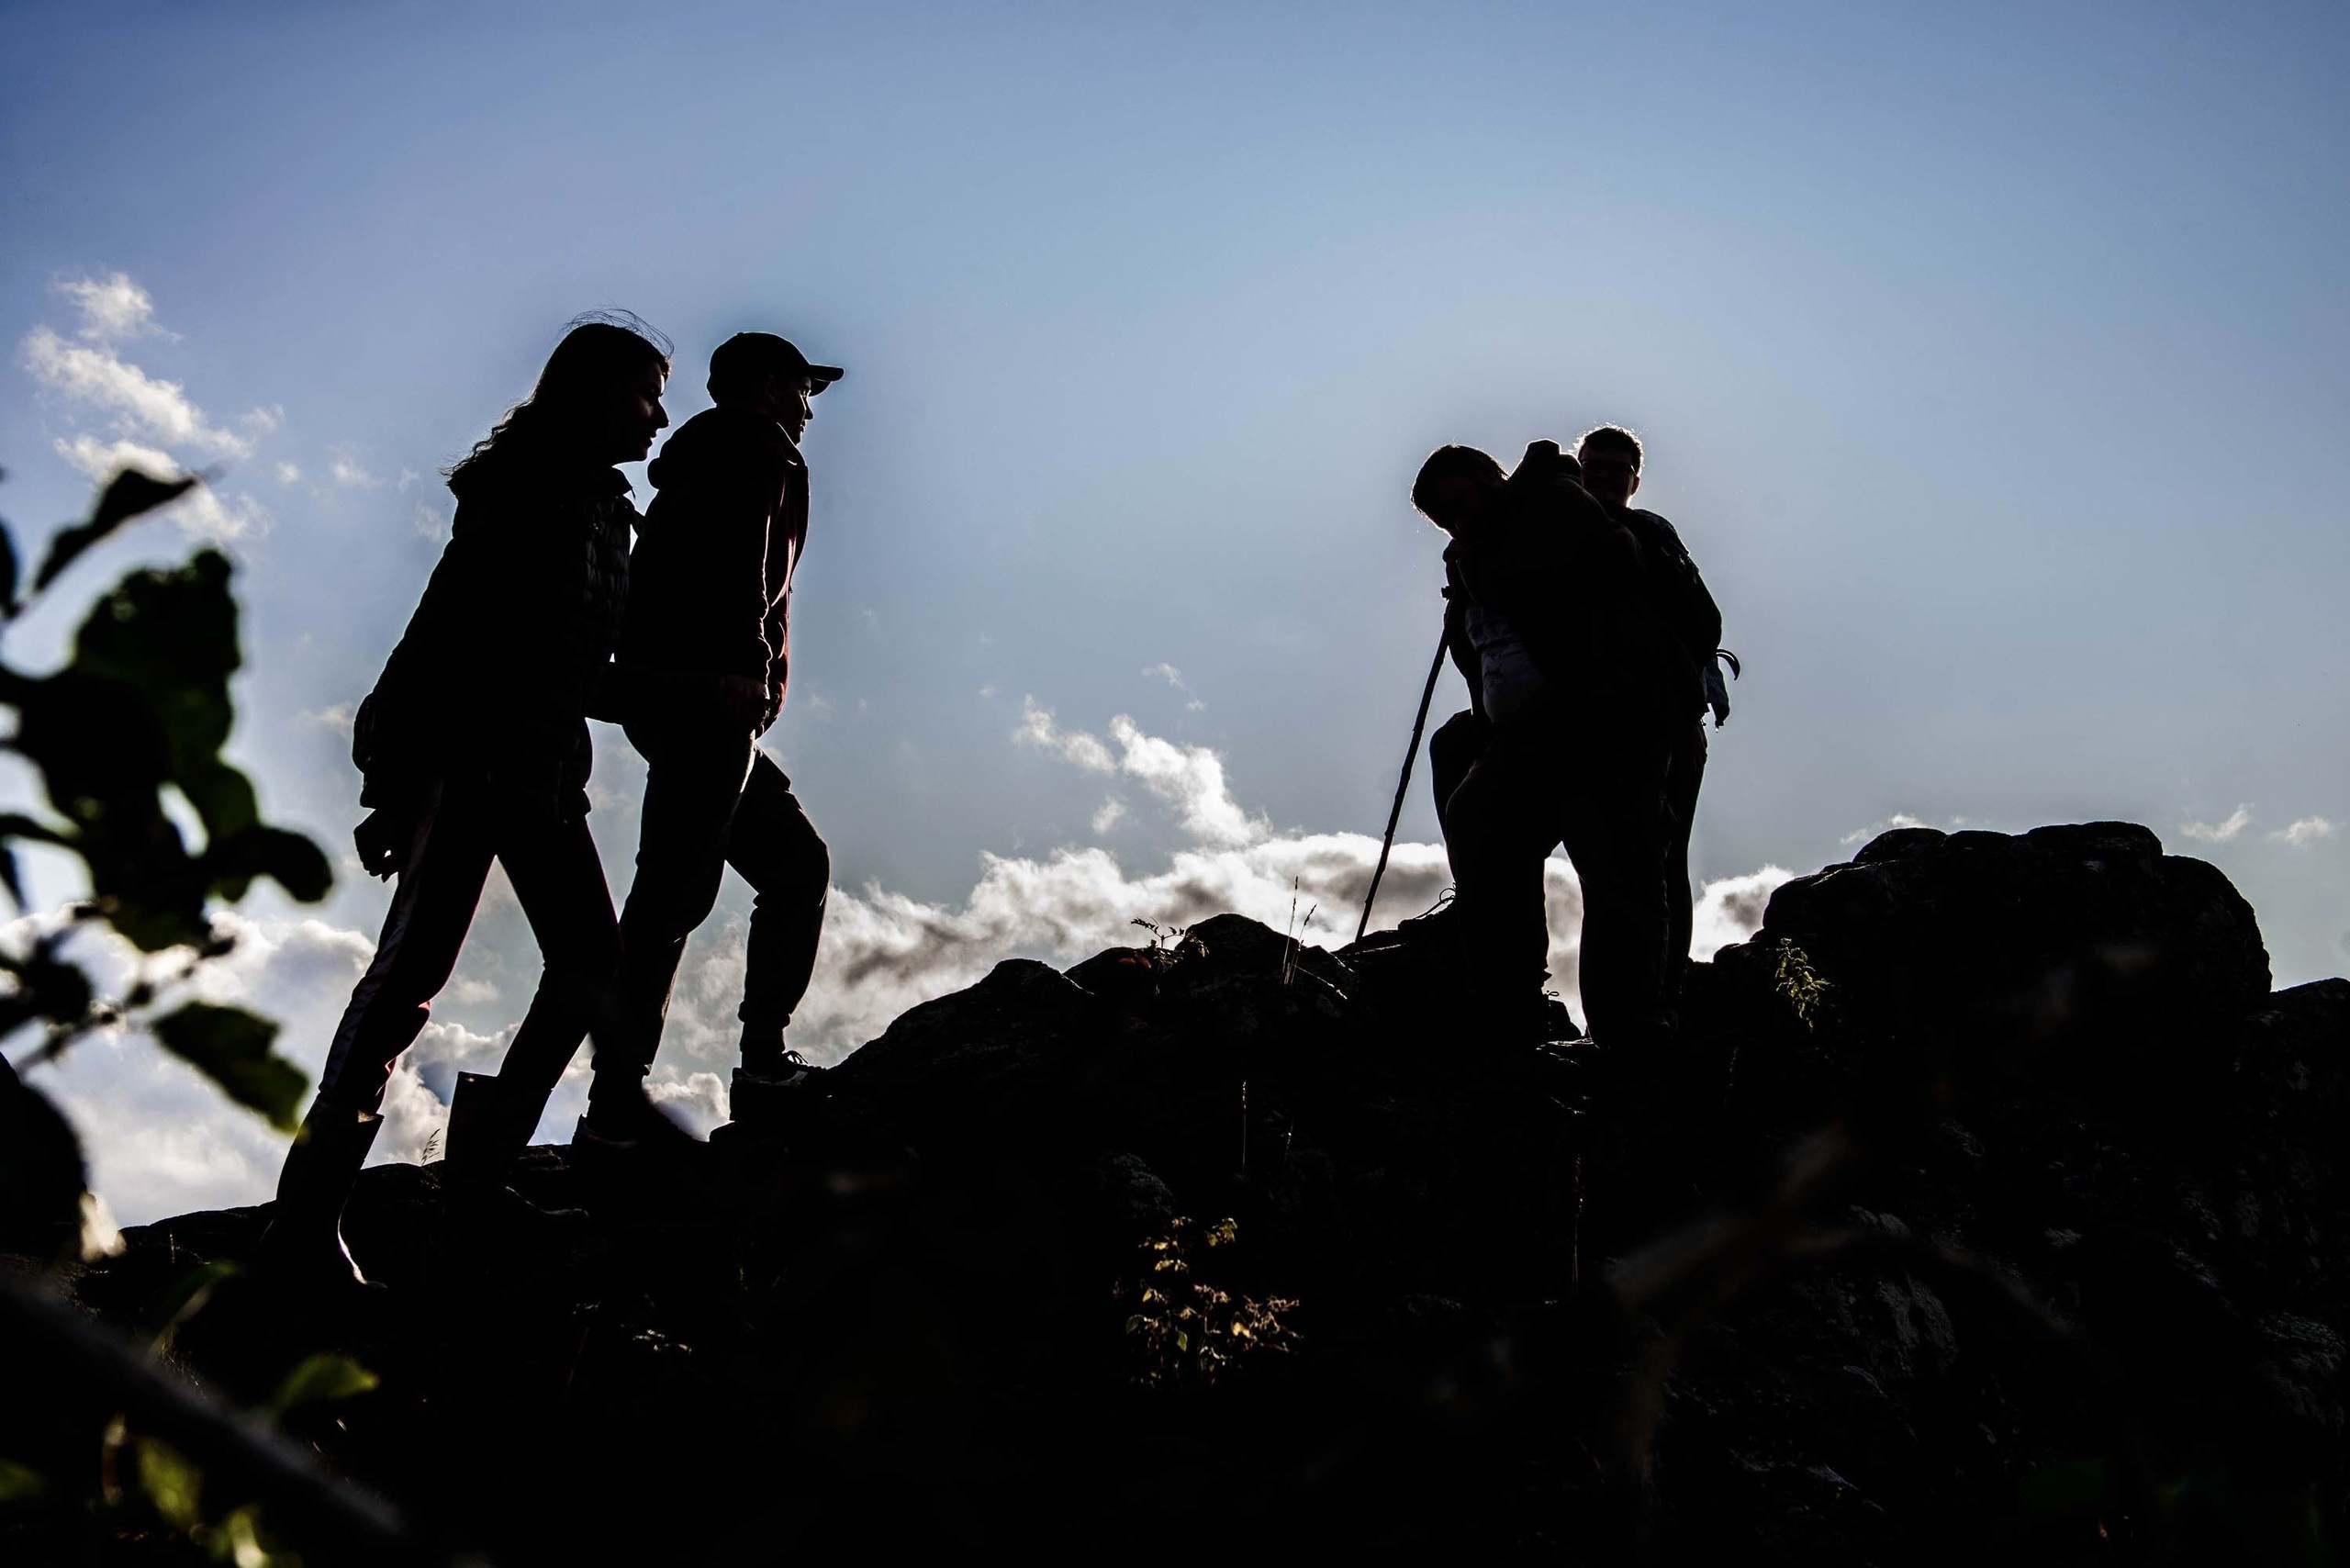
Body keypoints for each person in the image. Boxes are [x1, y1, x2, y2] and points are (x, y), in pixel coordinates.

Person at [257, 314, 671, 1287]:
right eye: (647, 391)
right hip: (471, 764)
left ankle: (480, 1166)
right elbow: (445, 635)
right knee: (407, 983)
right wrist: (394, 786)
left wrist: (681, 700)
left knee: (591, 961)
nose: (659, 415)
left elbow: (573, 662)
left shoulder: (602, 511)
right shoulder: (525, 495)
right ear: (597, 393)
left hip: (539, 774)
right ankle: (302, 1222)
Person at [581, 332, 841, 1142]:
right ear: (768, 387)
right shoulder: (754, 449)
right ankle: (622, 1104)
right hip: (711, 702)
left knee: (784, 868)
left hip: (686, 700)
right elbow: (745, 566)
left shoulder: (704, 458)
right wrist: (751, 672)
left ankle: (736, 1068)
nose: (809, 409)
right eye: (804, 390)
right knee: (670, 900)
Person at [1413, 440, 1694, 1050]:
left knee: (1618, 870)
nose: (1459, 522)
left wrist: (1481, 561)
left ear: (1493, 477)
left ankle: (1629, 1037)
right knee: (1480, 825)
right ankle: (1511, 1017)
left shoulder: (1554, 508)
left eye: (1463, 504)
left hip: (1604, 724)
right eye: (1446, 518)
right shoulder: (1473, 554)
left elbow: (1609, 573)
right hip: (1527, 734)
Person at [1573, 425, 1729, 995]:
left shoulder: (1652, 532)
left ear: (1636, 480)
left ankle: (1662, 993)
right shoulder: (1562, 529)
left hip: (1665, 715)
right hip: (1602, 715)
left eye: (1619, 469)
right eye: (1596, 465)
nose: (1608, 477)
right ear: (1579, 467)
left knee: (1659, 861)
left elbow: (1701, 619)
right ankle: (1639, 1000)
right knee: (1626, 864)